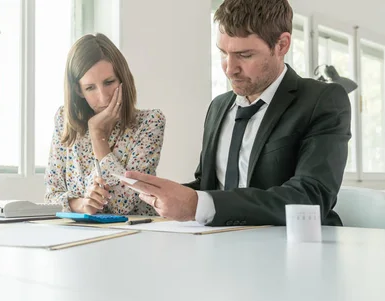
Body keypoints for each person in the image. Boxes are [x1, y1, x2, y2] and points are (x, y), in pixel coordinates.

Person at [126, 0, 351, 226]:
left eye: (244, 55)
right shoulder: (218, 107)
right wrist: (162, 195)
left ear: (282, 45)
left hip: (296, 249)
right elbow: (208, 187)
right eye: (223, 52)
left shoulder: (322, 101)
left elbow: (310, 197)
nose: (229, 68)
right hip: (220, 245)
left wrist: (196, 204)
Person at [44, 33, 166, 215]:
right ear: (78, 90)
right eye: (90, 88)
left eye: (109, 82)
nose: (103, 97)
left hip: (134, 235)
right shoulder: (64, 120)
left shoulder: (149, 123)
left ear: (122, 79)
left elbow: (121, 205)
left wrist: (97, 134)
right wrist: (83, 204)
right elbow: (50, 198)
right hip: (77, 235)